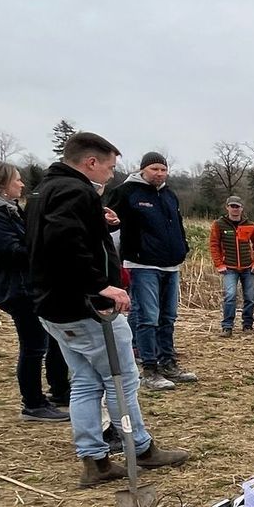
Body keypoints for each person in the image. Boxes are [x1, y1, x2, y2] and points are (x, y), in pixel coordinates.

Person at [26, 131, 189, 487]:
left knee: (85, 381)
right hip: (86, 308)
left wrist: (99, 222)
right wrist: (100, 286)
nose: (111, 174)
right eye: (110, 167)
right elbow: (62, 243)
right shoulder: (74, 190)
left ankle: (94, 460)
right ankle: (142, 450)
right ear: (91, 162)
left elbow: (57, 237)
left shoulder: (44, 190)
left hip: (52, 305)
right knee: (122, 379)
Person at [0, 158, 70, 420]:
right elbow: (13, 251)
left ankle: (60, 391)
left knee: (51, 339)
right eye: (17, 179)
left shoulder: (9, 209)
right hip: (17, 290)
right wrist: (49, 249)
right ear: (1, 183)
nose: (22, 184)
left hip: (29, 286)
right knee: (34, 346)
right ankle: (33, 404)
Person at [103, 152, 195, 389]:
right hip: (142, 264)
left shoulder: (169, 194)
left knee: (168, 317)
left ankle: (168, 362)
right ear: (143, 169)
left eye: (163, 169)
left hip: (171, 264)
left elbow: (178, 225)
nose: (160, 174)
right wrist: (110, 223)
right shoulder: (127, 192)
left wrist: (182, 247)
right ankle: (149, 369)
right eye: (155, 169)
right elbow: (106, 220)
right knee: (148, 317)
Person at [209, 197, 254, 337]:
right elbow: (214, 245)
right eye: (232, 206)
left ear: (242, 208)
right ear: (227, 207)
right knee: (230, 296)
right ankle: (227, 327)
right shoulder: (219, 224)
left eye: (237, 206)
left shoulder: (251, 225)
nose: (235, 209)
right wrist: (219, 264)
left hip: (248, 268)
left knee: (250, 297)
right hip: (229, 267)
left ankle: (248, 325)